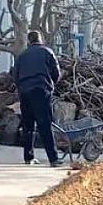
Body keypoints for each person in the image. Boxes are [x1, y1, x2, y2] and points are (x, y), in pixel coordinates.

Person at [13, 30, 63, 167]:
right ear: (40, 40)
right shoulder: (48, 52)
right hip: (42, 91)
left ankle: (28, 157)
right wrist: (50, 85)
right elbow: (56, 74)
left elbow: (15, 76)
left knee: (28, 126)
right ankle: (53, 159)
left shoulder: (21, 56)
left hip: (25, 92)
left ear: (29, 41)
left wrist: (22, 88)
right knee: (45, 125)